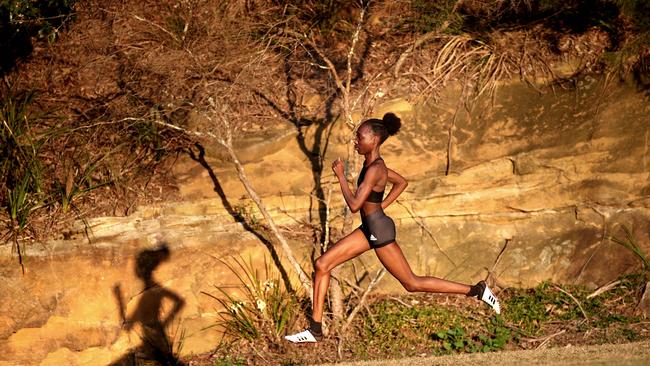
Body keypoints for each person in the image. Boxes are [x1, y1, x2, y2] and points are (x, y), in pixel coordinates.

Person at [285, 113, 500, 344]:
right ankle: (315, 330)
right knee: (322, 264)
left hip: (379, 231)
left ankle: (476, 290)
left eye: (359, 137)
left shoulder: (376, 168)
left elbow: (355, 205)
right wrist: (381, 206)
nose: (355, 141)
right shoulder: (372, 165)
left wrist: (341, 178)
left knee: (411, 283)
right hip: (370, 226)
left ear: (374, 139)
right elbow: (401, 182)